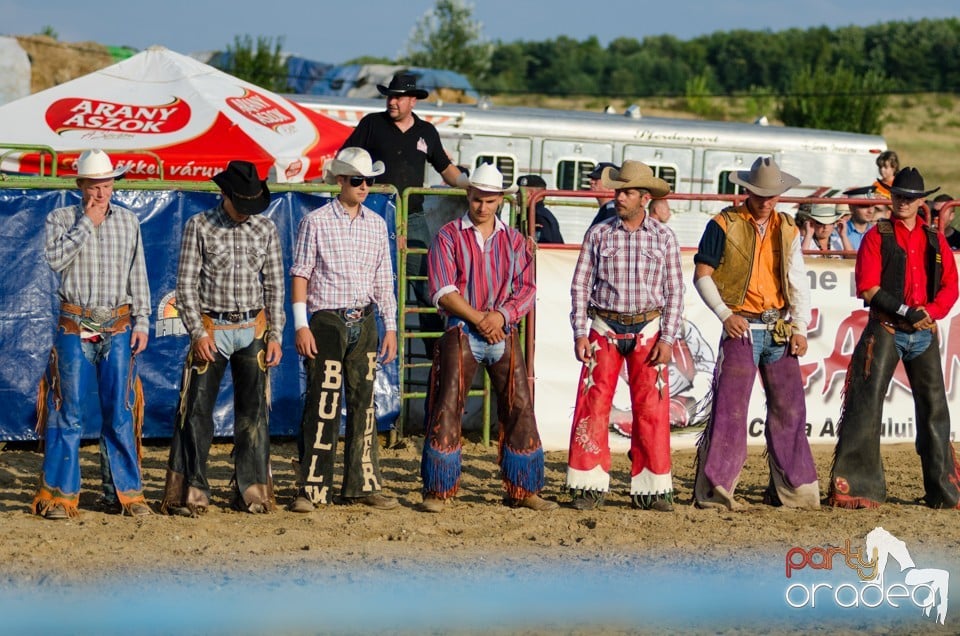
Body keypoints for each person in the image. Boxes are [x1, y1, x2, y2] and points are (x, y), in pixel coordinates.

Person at [420, 163, 558, 513]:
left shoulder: (513, 241)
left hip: (495, 328)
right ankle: (439, 489)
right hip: (467, 328)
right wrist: (486, 319)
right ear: (468, 195)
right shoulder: (449, 235)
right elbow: (442, 289)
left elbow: (527, 288)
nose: (483, 206)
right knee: (449, 403)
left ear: (500, 201)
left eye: (490, 200)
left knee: (519, 407)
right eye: (478, 199)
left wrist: (499, 316)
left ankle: (523, 489)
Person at [691, 156, 819, 510]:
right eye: (760, 193)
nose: (766, 200)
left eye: (772, 194)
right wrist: (725, 314)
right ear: (746, 190)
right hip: (743, 323)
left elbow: (797, 281)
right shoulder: (723, 223)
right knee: (731, 409)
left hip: (777, 325)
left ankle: (798, 492)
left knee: (790, 409)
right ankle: (717, 491)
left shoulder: (788, 228)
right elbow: (702, 273)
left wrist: (800, 327)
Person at [828, 167, 960, 509]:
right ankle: (857, 485)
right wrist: (908, 311)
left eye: (910, 198)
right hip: (889, 326)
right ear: (892, 198)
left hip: (920, 329)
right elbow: (869, 288)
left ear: (920, 202)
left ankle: (944, 489)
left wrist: (930, 312)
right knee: (867, 402)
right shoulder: (877, 236)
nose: (903, 202)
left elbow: (950, 286)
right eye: (899, 196)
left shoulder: (934, 239)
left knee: (934, 408)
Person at [33, 149, 152, 520]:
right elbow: (54, 261)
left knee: (119, 412)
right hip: (74, 322)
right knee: (67, 411)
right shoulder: (61, 218)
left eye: (106, 184)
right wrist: (86, 223)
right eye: (94, 185)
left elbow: (138, 274)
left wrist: (144, 321)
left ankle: (127, 495)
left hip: (117, 324)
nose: (101, 192)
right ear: (81, 186)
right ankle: (59, 496)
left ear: (113, 183)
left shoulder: (129, 221)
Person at [161, 160, 285, 517]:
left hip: (254, 328)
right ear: (224, 195)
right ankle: (191, 492)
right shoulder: (198, 226)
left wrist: (275, 335)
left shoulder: (265, 229)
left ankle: (253, 491)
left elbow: (274, 286)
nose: (248, 212)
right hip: (211, 327)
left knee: (254, 413)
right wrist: (197, 332)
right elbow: (185, 285)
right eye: (241, 203)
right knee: (196, 411)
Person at [566, 161, 683, 512]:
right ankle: (587, 486)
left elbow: (675, 290)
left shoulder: (664, 237)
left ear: (644, 197)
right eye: (618, 190)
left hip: (648, 328)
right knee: (593, 403)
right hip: (604, 325)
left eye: (627, 191)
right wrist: (579, 331)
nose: (619, 197)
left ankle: (652, 487)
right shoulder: (598, 234)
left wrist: (667, 339)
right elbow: (580, 286)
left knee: (652, 408)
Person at [288, 148, 400, 513]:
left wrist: (390, 326)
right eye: (357, 180)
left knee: (364, 404)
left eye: (368, 180)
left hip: (364, 318)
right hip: (326, 320)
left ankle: (361, 483)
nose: (364, 186)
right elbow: (301, 275)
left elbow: (384, 279)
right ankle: (311, 487)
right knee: (323, 403)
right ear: (341, 181)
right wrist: (302, 325)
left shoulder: (377, 224)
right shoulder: (315, 222)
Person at [516, 174, 564, 244]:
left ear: (529, 194)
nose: (516, 195)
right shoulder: (534, 213)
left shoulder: (538, 216)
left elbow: (542, 246)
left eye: (519, 192)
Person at [842, 185, 881, 250]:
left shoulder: (878, 232)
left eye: (873, 205)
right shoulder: (839, 232)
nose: (870, 211)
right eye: (865, 206)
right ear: (851, 207)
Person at [588, 162, 619, 227]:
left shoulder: (612, 211)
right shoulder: (607, 210)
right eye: (592, 178)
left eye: (596, 179)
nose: (591, 181)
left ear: (610, 184)